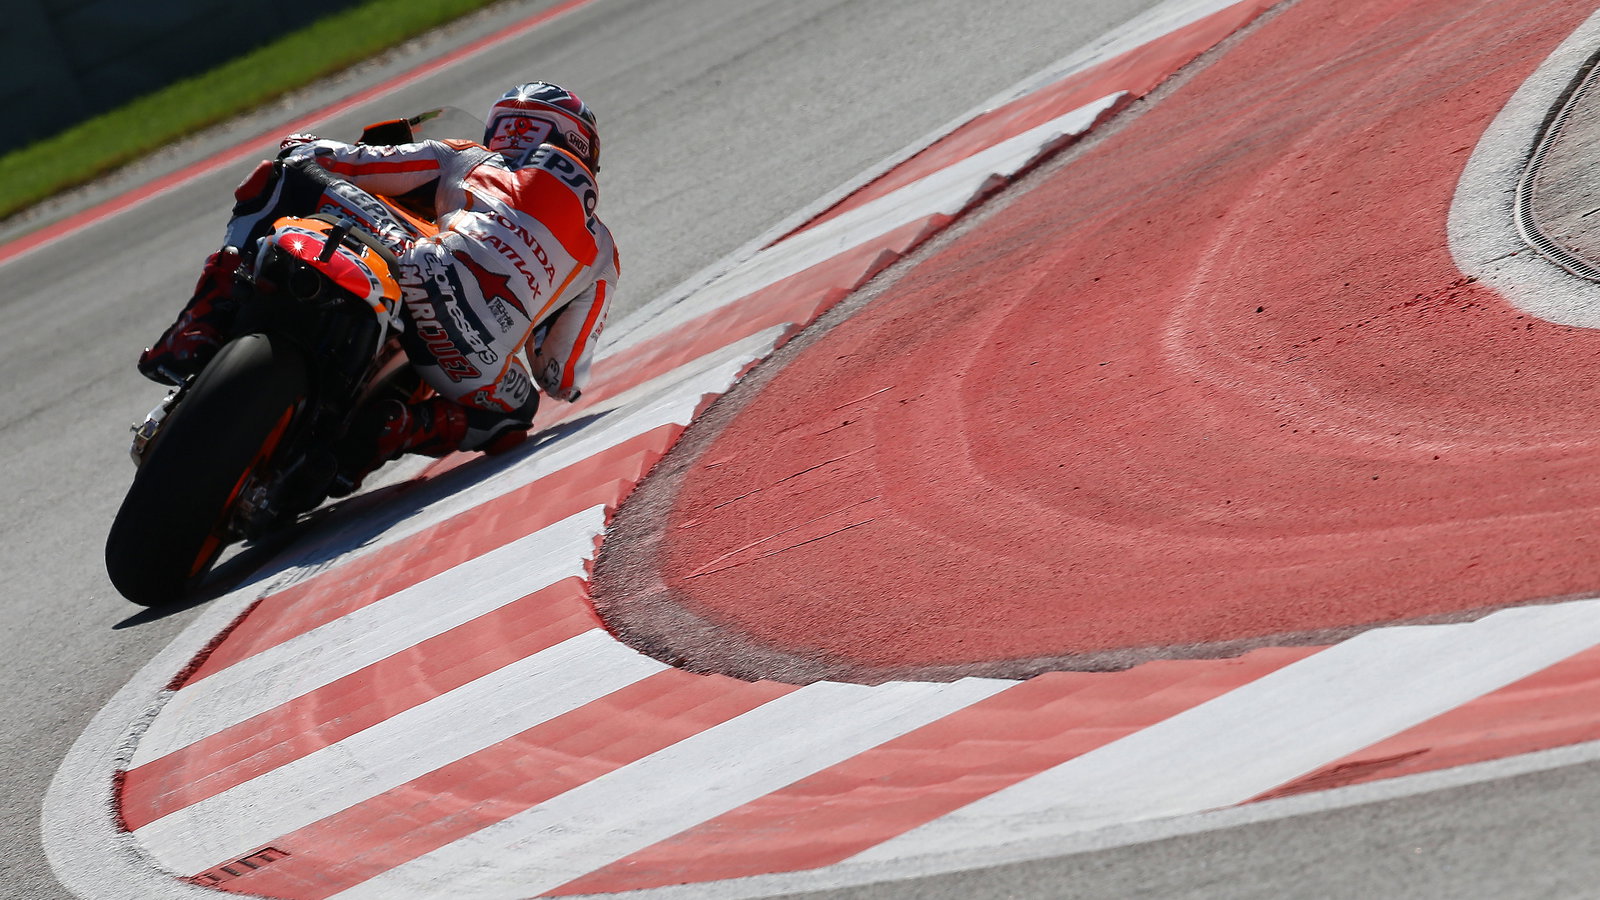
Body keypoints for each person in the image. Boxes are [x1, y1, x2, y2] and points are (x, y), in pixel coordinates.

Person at [137, 83, 618, 490]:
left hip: (417, 270)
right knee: (517, 413)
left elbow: (347, 162)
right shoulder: (603, 252)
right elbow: (559, 377)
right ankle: (399, 429)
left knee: (281, 175)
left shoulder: (465, 156)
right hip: (471, 365)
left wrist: (305, 145)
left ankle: (199, 324)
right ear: (582, 146)